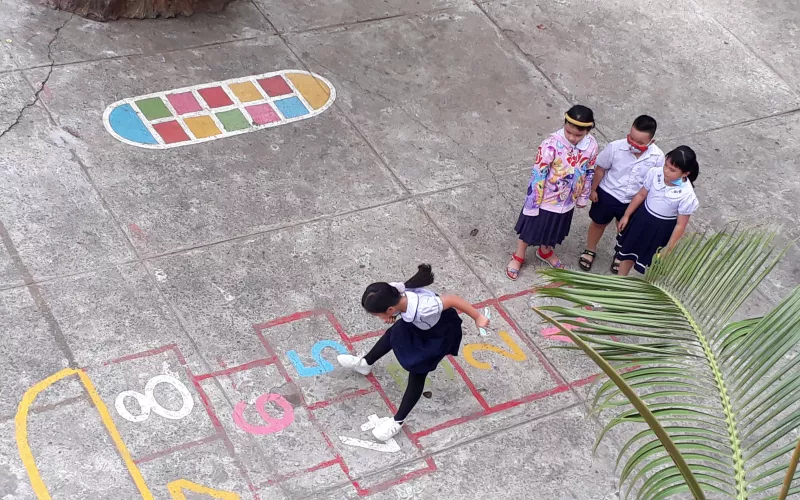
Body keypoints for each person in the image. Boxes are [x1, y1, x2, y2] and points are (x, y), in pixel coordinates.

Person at [337, 264, 489, 441]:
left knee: (418, 372)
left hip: (438, 334)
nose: (379, 318)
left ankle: (398, 421)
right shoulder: (395, 294)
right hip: (418, 324)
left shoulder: (425, 308)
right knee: (393, 333)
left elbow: (454, 299)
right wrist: (396, 316)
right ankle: (365, 364)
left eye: (378, 315)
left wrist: (478, 317)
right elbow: (399, 310)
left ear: (390, 309)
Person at [505, 105, 599, 280]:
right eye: (568, 131)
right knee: (530, 229)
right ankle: (519, 255)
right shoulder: (550, 145)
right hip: (546, 198)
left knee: (556, 229)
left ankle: (545, 251)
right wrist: (533, 203)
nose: (572, 137)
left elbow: (589, 170)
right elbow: (538, 174)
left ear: (589, 129)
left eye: (578, 135)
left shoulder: (592, 146)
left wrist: (583, 196)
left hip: (568, 200)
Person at [579, 115, 665, 273]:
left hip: (633, 200)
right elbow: (600, 169)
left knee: (626, 230)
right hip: (608, 193)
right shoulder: (615, 147)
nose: (633, 144)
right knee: (598, 223)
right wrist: (592, 190)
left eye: (640, 143)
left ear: (651, 142)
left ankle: (620, 255)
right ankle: (590, 250)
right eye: (631, 138)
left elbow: (655, 182)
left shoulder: (658, 157)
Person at [615, 146, 700, 276]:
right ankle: (619, 282)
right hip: (641, 220)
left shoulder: (687, 195)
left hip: (661, 230)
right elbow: (641, 195)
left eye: (672, 170)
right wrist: (627, 215)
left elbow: (680, 225)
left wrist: (669, 248)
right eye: (666, 165)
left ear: (685, 173)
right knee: (628, 254)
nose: (666, 171)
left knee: (649, 264)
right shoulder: (655, 173)